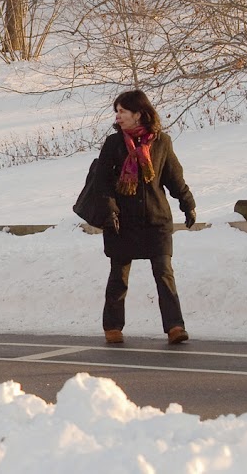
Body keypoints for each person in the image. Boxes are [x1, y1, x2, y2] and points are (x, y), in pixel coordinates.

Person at [95, 89, 196, 346]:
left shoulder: (162, 142)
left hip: (155, 220)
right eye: (116, 112)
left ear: (138, 114)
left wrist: (188, 204)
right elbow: (103, 183)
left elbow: (174, 178)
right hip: (122, 221)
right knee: (119, 276)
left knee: (164, 273)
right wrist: (110, 210)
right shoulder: (113, 144)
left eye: (122, 111)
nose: (118, 117)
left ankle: (175, 326)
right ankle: (113, 327)